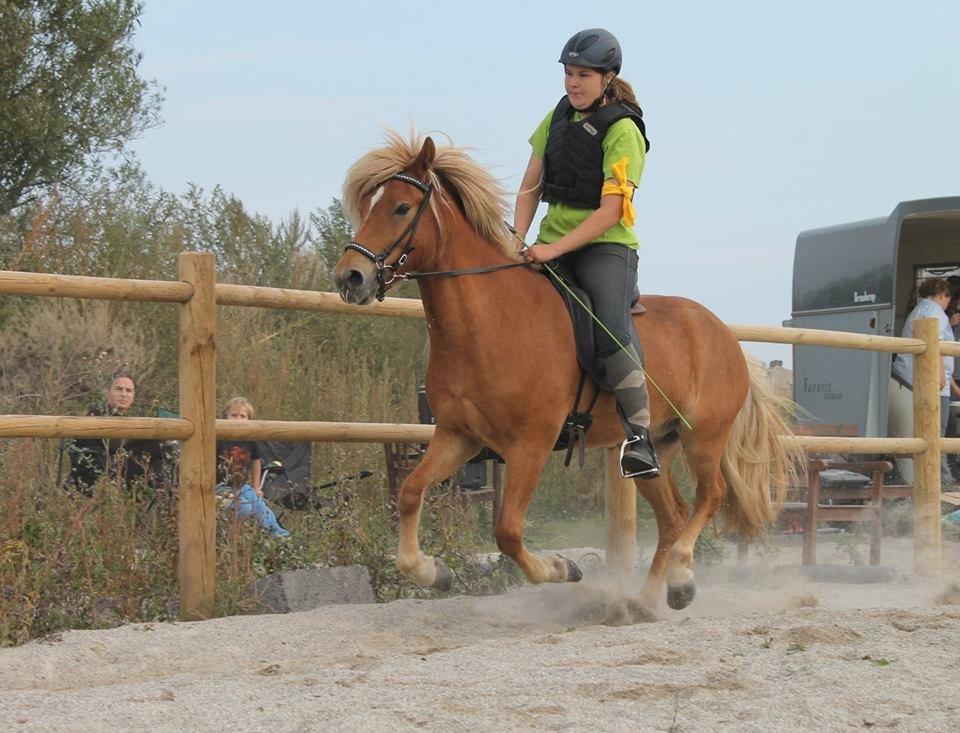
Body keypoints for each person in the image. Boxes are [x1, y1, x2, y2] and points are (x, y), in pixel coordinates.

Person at [513, 28, 658, 478]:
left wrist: (552, 248)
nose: (573, 84)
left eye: (583, 76)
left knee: (611, 325)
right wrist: (516, 238)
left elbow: (612, 211)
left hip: (605, 248)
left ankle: (639, 436)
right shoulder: (555, 118)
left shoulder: (624, 129)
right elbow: (530, 187)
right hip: (549, 244)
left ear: (607, 76)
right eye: (569, 74)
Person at [889, 277, 957, 487]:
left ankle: (934, 482)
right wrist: (938, 377)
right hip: (930, 383)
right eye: (948, 299)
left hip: (910, 379)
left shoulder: (920, 310)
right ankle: (941, 484)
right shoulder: (936, 313)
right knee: (937, 435)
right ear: (942, 295)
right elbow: (933, 342)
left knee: (930, 435)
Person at [66, 370, 164, 494]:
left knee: (161, 451)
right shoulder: (97, 413)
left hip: (117, 474)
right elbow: (114, 443)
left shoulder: (124, 418)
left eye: (128, 391)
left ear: (133, 395)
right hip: (96, 478)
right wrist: (145, 433)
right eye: (119, 389)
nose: (124, 394)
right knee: (155, 446)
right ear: (109, 392)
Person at [216, 396, 289, 538]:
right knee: (244, 508)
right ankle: (227, 538)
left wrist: (257, 487)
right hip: (218, 488)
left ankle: (281, 537)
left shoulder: (250, 439)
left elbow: (256, 461)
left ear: (249, 420)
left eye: (242, 416)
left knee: (260, 506)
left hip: (241, 487)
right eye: (233, 415)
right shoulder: (219, 438)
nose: (238, 419)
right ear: (225, 418)